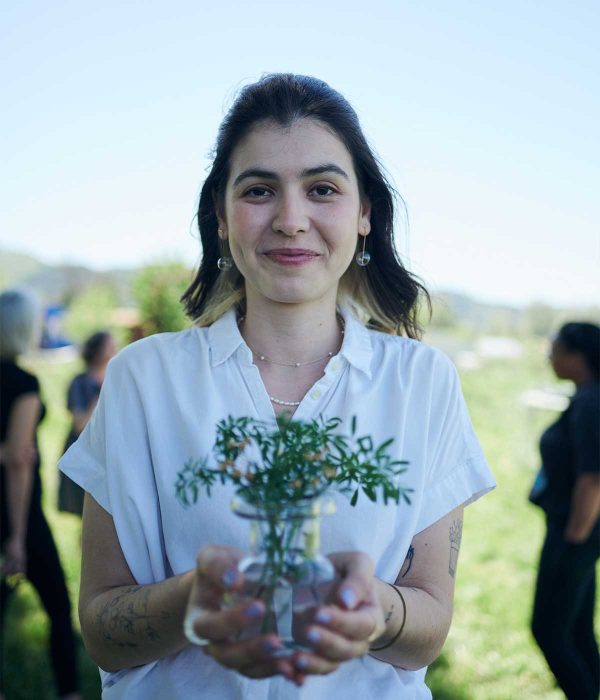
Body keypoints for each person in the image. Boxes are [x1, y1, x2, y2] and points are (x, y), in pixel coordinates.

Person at [59, 74, 495, 699]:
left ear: (365, 212)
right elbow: (102, 629)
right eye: (260, 190)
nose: (292, 220)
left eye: (322, 189)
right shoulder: (143, 378)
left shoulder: (422, 383)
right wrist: (192, 602)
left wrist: (373, 609)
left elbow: (430, 625)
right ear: (220, 215)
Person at [0, 289, 81, 700]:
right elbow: (19, 461)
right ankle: (69, 692)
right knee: (58, 608)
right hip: (17, 512)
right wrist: (15, 535)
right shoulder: (23, 383)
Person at [530, 322, 600, 700]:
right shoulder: (586, 396)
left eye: (555, 349)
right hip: (579, 532)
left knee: (549, 631)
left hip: (575, 533)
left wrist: (573, 542)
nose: (549, 357)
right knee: (576, 630)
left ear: (578, 356)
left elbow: (593, 479)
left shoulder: (591, 402)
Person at [58, 331, 116, 516]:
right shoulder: (80, 382)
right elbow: (79, 425)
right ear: (97, 350)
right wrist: (98, 400)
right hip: (84, 451)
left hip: (109, 455)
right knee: (83, 512)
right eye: (109, 344)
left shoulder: (115, 379)